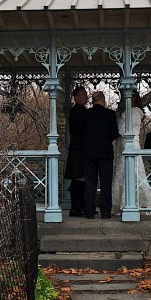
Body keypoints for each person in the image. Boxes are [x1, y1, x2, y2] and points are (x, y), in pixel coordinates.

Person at [113, 93, 151, 212]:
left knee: (131, 172)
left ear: (133, 99)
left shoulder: (134, 112)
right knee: (123, 173)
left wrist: (117, 125)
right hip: (127, 145)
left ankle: (130, 202)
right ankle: (123, 203)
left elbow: (122, 129)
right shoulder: (133, 112)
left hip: (130, 145)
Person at [82, 91, 120, 219]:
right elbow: (114, 133)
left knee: (90, 183)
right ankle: (105, 212)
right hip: (105, 153)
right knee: (106, 183)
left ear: (93, 101)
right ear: (103, 101)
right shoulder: (110, 114)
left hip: (88, 153)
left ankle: (89, 211)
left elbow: (81, 132)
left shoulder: (86, 114)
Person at [63, 86, 89, 217]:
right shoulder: (78, 111)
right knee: (80, 178)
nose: (86, 97)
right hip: (79, 148)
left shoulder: (79, 111)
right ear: (77, 97)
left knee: (80, 179)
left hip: (79, 148)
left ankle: (80, 207)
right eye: (84, 95)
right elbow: (82, 130)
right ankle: (76, 208)